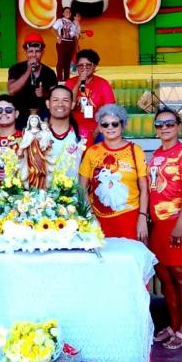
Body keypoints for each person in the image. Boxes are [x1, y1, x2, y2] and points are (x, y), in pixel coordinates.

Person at [147, 108, 182, 350]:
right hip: (159, 224)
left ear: (179, 126)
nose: (165, 127)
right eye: (160, 124)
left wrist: (180, 224)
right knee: (166, 278)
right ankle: (173, 324)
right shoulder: (157, 154)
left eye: (170, 123)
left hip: (180, 222)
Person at [78, 104, 148, 241]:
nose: (110, 128)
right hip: (98, 218)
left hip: (129, 216)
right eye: (105, 124)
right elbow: (82, 187)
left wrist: (142, 217)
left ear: (122, 126)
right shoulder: (92, 152)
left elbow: (144, 188)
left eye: (115, 124)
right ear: (100, 128)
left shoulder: (136, 150)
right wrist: (90, 216)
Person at [63, 49, 116, 140]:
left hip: (97, 128)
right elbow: (67, 105)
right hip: (73, 128)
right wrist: (78, 82)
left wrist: (96, 131)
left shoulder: (103, 84)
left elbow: (110, 111)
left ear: (94, 66)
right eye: (80, 65)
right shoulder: (70, 82)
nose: (84, 68)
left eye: (88, 65)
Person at [7, 33, 57, 129]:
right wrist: (28, 71)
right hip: (19, 116)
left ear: (42, 53)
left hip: (42, 117)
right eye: (30, 51)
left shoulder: (49, 73)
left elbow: (55, 96)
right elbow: (11, 90)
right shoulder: (15, 69)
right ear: (25, 53)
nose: (34, 55)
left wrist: (45, 94)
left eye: (37, 51)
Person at [45, 85, 86, 181]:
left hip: (73, 194)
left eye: (65, 100)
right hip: (42, 194)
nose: (60, 104)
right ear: (48, 104)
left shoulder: (83, 135)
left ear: (72, 105)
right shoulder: (36, 134)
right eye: (55, 100)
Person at [17, 114, 53, 189]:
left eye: (35, 120)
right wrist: (21, 151)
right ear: (29, 122)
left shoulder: (42, 132)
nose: (34, 122)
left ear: (38, 122)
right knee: (32, 171)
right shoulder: (27, 132)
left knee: (42, 172)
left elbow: (47, 142)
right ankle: (32, 189)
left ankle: (41, 188)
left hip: (40, 156)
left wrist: (46, 143)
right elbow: (24, 144)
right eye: (32, 120)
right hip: (30, 157)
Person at [52, 7, 79, 82]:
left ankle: (67, 79)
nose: (68, 13)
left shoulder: (73, 23)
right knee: (61, 61)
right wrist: (58, 37)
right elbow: (53, 29)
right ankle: (59, 79)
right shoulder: (60, 21)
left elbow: (75, 36)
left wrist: (76, 46)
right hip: (63, 42)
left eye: (70, 12)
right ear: (63, 13)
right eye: (66, 12)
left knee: (68, 62)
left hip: (71, 43)